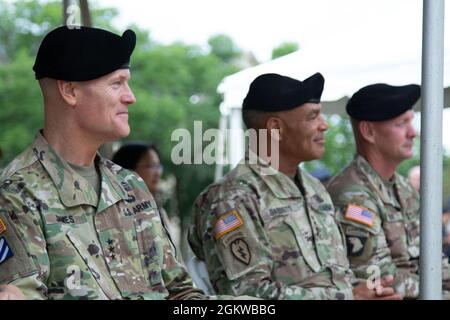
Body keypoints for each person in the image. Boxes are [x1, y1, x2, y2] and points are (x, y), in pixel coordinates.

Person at [0, 26, 206, 300]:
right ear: (70, 91)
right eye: (116, 83)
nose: (130, 97)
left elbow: (179, 294)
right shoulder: (15, 194)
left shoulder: (130, 185)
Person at [188, 73, 401, 300]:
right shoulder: (234, 197)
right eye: (312, 117)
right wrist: (349, 298)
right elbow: (249, 295)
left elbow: (339, 276)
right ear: (275, 128)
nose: (324, 125)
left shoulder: (314, 189)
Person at [326, 83, 450, 299]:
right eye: (401, 124)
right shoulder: (352, 195)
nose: (412, 132)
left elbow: (434, 259)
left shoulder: (403, 188)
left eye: (411, 122)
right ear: (368, 132)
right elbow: (379, 277)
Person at [112, 142, 181, 257]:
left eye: (159, 166)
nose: (158, 173)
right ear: (128, 170)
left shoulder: (158, 211)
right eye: (151, 166)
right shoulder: (115, 213)